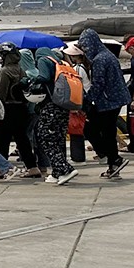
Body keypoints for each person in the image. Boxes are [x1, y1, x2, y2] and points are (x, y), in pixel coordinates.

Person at [79, 29, 129, 178]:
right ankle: (113, 162)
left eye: (86, 47)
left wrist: (87, 100)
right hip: (116, 99)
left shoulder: (100, 60)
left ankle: (112, 158)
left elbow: (98, 83)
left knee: (91, 129)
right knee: (108, 132)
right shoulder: (109, 55)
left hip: (108, 101)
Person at [0, 43, 40, 177]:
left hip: (9, 108)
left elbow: (2, 94)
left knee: (1, 139)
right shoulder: (21, 69)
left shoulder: (5, 71)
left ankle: (1, 168)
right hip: (21, 108)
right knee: (22, 139)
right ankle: (32, 167)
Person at [32, 51, 78, 185]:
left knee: (46, 138)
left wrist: (30, 80)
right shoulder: (61, 63)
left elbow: (43, 77)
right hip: (63, 106)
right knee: (58, 139)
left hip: (50, 106)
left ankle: (65, 169)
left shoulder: (43, 60)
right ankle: (57, 172)